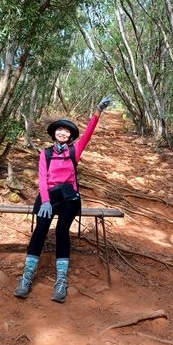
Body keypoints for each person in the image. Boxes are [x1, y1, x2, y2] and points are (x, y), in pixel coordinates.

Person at [14, 96, 111, 302]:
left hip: (69, 198)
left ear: (71, 135)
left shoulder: (75, 151)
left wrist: (97, 112)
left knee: (61, 232)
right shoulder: (46, 153)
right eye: (60, 129)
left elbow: (88, 133)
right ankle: (27, 277)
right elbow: (42, 178)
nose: (63, 132)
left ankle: (61, 281)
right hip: (49, 196)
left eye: (67, 131)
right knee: (40, 230)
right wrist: (46, 201)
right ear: (54, 133)